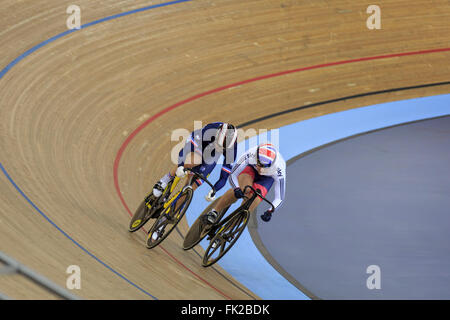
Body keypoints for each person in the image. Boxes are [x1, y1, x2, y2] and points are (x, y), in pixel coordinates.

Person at [152, 122, 238, 200]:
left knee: (194, 185)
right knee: (192, 161)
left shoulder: (232, 149)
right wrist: (181, 165)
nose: (219, 148)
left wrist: (214, 190)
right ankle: (165, 180)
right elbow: (185, 150)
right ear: (217, 134)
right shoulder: (210, 130)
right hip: (200, 145)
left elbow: (224, 177)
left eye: (222, 148)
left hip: (212, 156)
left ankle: (170, 213)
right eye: (219, 145)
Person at [204, 143, 286, 224]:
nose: (260, 170)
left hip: (267, 179)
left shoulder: (279, 169)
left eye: (264, 167)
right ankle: (214, 211)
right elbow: (233, 174)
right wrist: (236, 188)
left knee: (253, 201)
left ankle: (228, 231)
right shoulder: (250, 154)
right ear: (256, 158)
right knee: (245, 189)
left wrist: (270, 210)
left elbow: (279, 198)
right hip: (251, 169)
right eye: (259, 165)